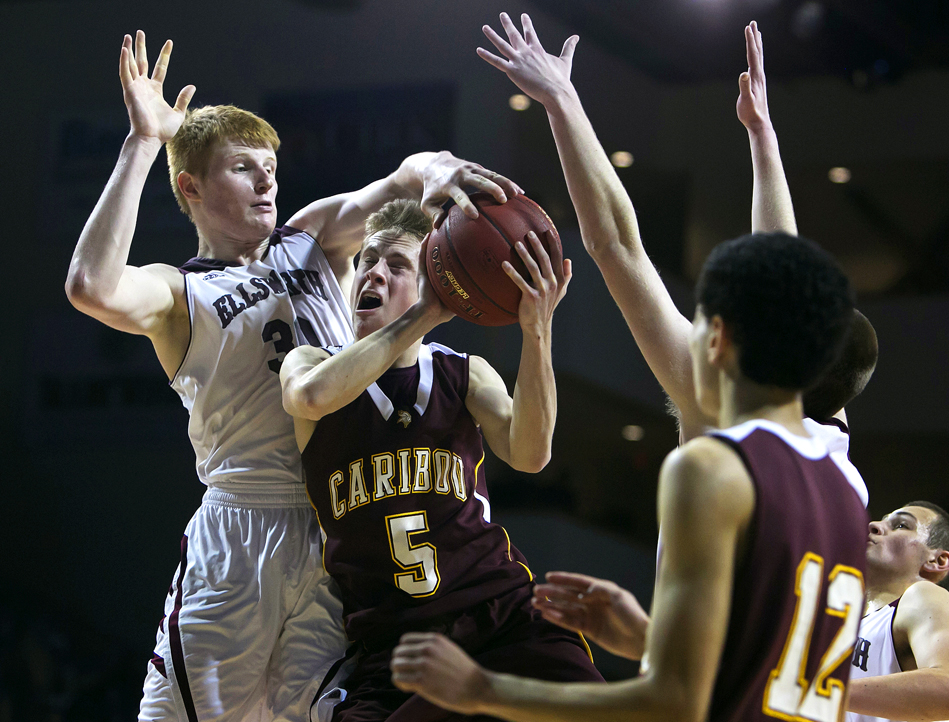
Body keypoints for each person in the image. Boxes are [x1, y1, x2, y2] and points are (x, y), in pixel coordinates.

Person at [388, 15, 869, 722]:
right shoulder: (843, 478)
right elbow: (755, 663)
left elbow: (676, 701)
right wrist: (763, 144)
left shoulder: (715, 466)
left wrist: (481, 689)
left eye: (701, 316)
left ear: (721, 337)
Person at [64, 31, 519, 722]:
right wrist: (143, 143)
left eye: (271, 165)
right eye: (244, 167)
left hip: (339, 522)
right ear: (191, 187)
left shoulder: (312, 239)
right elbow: (90, 285)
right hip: (240, 531)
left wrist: (436, 168)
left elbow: (401, 178)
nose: (268, 179)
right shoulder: (175, 294)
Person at [279, 199, 602, 721]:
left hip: (501, 617)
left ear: (429, 276)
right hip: (396, 647)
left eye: (398, 265)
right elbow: (311, 397)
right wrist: (429, 310)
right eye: (368, 261)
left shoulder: (465, 375)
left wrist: (535, 329)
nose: (375, 273)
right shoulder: (312, 361)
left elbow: (531, 454)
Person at [846, 502, 949, 722]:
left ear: (937, 560)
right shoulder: (844, 621)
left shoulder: (923, 596)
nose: (874, 525)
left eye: (900, 525)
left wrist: (824, 692)